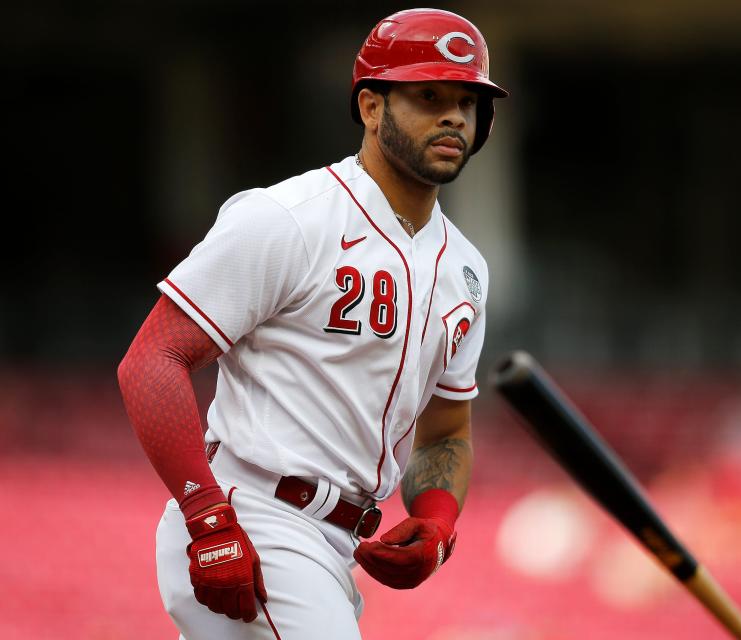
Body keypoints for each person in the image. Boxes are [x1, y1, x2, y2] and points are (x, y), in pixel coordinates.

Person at [117, 8, 508, 639]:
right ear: (372, 107)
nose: (453, 117)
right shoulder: (290, 218)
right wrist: (206, 517)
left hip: (336, 544)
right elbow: (152, 360)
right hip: (255, 514)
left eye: (468, 102)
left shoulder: (466, 269)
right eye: (429, 95)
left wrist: (436, 519)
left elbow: (444, 430)